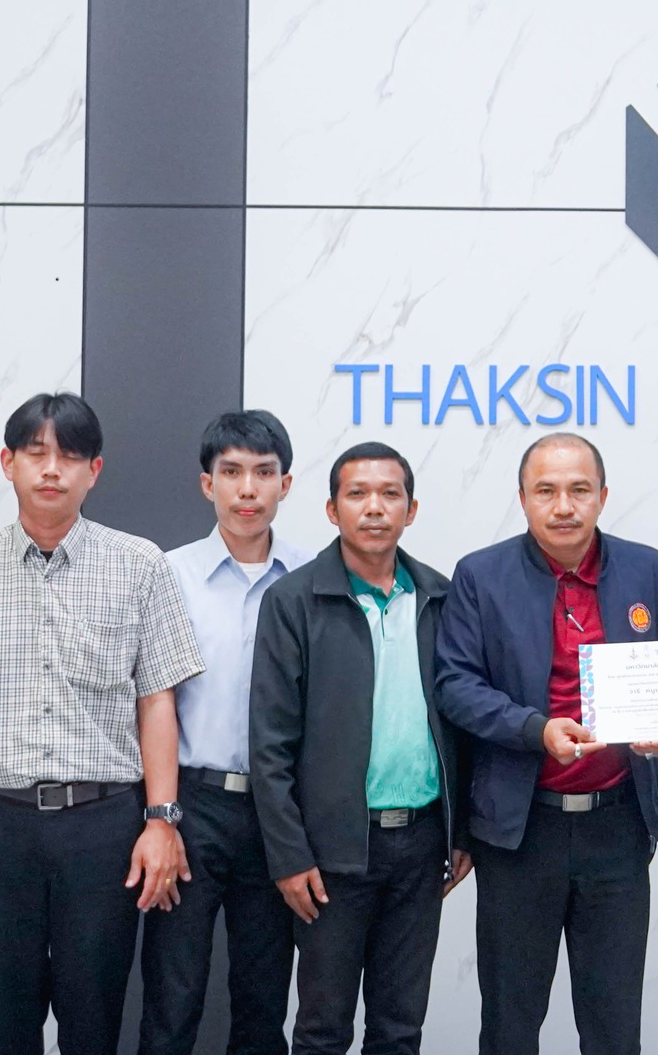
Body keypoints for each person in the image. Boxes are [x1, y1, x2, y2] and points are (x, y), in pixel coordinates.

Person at [0, 393, 202, 1055]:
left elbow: (157, 701)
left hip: (103, 826)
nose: (52, 468)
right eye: (35, 452)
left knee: (94, 1015)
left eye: (69, 454)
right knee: (7, 1017)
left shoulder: (140, 565)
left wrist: (161, 819)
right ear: (7, 463)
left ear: (95, 470)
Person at [432, 433, 658, 1055]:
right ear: (523, 498)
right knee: (510, 1023)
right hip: (521, 832)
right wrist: (535, 730)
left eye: (579, 490)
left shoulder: (646, 569)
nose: (564, 506)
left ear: (603, 496)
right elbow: (454, 685)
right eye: (546, 491)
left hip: (617, 825)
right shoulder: (480, 575)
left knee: (613, 1025)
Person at [250, 442, 468, 1055]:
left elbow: (464, 722)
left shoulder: (441, 598)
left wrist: (462, 832)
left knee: (400, 1028)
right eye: (358, 494)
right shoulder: (293, 601)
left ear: (411, 510)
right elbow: (269, 745)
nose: (375, 507)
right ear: (332, 509)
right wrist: (289, 856)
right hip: (332, 852)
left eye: (390, 494)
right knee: (323, 1029)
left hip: (421, 844)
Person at [139, 411, 314, 1055]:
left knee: (264, 1001)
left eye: (263, 474)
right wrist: (162, 815)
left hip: (278, 812)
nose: (247, 489)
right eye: (231, 472)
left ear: (285, 485)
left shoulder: (312, 579)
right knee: (173, 994)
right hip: (192, 806)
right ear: (206, 483)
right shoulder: (167, 575)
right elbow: (151, 698)